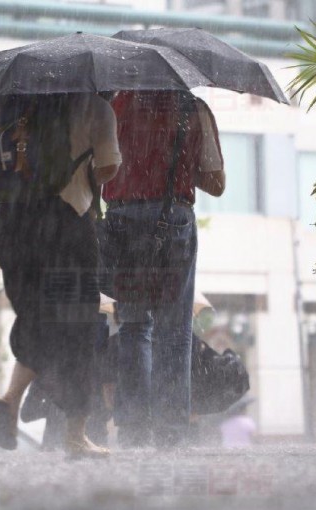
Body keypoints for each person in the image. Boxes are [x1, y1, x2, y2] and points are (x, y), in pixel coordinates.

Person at [0, 92, 121, 458]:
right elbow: (109, 168)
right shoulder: (94, 108)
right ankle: (75, 435)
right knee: (79, 327)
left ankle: (11, 399)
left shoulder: (16, 105)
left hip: (12, 229)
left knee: (39, 318)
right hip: (63, 227)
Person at [102, 90, 225, 448]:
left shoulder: (113, 105)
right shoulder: (193, 108)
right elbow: (216, 184)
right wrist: (178, 168)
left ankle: (134, 428)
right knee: (174, 330)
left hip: (122, 220)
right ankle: (171, 432)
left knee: (134, 327)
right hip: (172, 221)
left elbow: (100, 169)